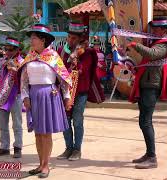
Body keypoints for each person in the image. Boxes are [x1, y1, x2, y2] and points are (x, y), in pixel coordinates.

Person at [20, 24, 72, 178]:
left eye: (34, 38)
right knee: (37, 133)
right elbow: (23, 81)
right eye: (31, 38)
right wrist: (25, 97)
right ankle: (40, 163)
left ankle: (45, 166)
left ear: (43, 40)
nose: (31, 40)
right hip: (33, 96)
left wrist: (67, 97)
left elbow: (63, 79)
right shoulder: (29, 57)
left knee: (45, 134)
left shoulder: (54, 57)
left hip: (49, 95)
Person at [128, 16, 167, 169]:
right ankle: (149, 154)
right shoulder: (155, 43)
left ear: (164, 30)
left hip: (152, 86)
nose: (153, 30)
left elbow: (153, 54)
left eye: (156, 27)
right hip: (146, 84)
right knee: (143, 121)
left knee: (146, 121)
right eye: (153, 27)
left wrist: (136, 45)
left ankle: (152, 157)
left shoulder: (165, 44)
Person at [57, 22, 104, 161]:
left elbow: (84, 70)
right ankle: (68, 148)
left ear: (80, 39)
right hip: (64, 92)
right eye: (69, 37)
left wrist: (76, 58)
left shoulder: (88, 52)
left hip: (80, 92)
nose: (70, 40)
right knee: (65, 121)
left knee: (77, 121)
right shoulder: (61, 50)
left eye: (73, 38)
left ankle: (77, 150)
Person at [0, 37, 23, 158]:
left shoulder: (22, 62)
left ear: (17, 50)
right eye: (6, 49)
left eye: (11, 49)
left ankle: (18, 147)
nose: (9, 52)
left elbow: (24, 79)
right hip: (1, 97)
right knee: (2, 124)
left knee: (17, 124)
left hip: (16, 96)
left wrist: (15, 69)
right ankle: (4, 147)